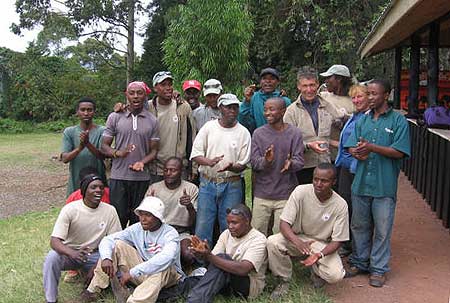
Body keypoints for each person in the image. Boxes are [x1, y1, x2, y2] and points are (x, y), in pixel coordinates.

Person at [345, 79, 411, 288]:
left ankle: (379, 269)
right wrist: (355, 151)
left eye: (374, 94)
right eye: (369, 93)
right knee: (359, 225)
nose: (370, 98)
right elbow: (350, 145)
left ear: (387, 95)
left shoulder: (398, 121)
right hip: (361, 183)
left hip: (384, 185)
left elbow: (399, 151)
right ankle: (359, 261)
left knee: (382, 229)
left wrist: (372, 147)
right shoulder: (363, 120)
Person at [267, 163, 349, 299]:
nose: (318, 184)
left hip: (320, 243)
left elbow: (338, 240)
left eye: (324, 181)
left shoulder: (340, 205)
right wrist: (298, 242)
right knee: (272, 242)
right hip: (298, 237)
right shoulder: (301, 191)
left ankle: (316, 270)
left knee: (336, 275)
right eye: (315, 179)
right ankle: (284, 280)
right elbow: (284, 224)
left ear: (334, 182)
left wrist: (319, 255)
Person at [81, 196, 183, 303]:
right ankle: (93, 290)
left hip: (168, 276)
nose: (143, 219)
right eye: (141, 214)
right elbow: (108, 239)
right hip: (144, 272)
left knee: (162, 268)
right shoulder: (137, 228)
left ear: (158, 217)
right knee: (118, 245)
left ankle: (135, 301)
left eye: (148, 215)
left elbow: (166, 257)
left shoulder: (170, 233)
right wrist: (106, 258)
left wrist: (133, 272)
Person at [158, 204, 267, 302]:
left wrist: (209, 256)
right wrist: (202, 255)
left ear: (247, 221)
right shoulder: (226, 234)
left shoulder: (258, 239)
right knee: (192, 282)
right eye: (228, 222)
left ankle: (195, 300)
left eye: (234, 223)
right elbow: (213, 265)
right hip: (223, 278)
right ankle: (154, 297)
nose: (230, 226)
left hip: (247, 286)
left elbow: (243, 269)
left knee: (222, 259)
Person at [43, 175, 121, 303]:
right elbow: (54, 241)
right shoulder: (70, 209)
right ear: (84, 190)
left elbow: (116, 242)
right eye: (93, 187)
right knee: (52, 258)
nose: (98, 190)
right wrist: (72, 253)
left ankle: (95, 287)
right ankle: (51, 299)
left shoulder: (110, 210)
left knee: (119, 274)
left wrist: (97, 267)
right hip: (71, 253)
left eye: (101, 187)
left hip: (97, 254)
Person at [190, 93, 251, 246]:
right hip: (207, 182)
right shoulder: (209, 127)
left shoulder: (243, 132)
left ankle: (227, 259)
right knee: (203, 224)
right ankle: (201, 262)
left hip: (232, 183)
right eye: (229, 107)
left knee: (230, 224)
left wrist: (232, 167)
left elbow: (243, 164)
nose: (233, 110)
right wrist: (209, 162)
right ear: (220, 108)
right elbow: (196, 154)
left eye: (235, 107)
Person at [102, 81, 160, 228]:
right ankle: (116, 249)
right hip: (118, 177)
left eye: (139, 93)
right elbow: (104, 146)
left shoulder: (152, 120)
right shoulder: (115, 117)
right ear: (126, 95)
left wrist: (142, 162)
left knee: (139, 221)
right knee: (117, 219)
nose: (135, 96)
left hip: (142, 179)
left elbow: (154, 150)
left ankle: (134, 250)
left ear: (145, 95)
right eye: (132, 93)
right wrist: (117, 153)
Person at [250, 97, 304, 236]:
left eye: (271, 109)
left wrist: (290, 164)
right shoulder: (258, 133)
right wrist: (266, 161)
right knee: (257, 234)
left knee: (279, 236)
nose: (267, 113)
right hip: (263, 193)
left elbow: (300, 161)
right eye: (265, 109)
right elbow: (254, 163)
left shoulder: (295, 133)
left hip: (285, 194)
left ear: (283, 111)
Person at [284, 67, 345, 184]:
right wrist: (307, 145)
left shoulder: (327, 106)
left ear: (317, 84)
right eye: (305, 86)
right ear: (298, 86)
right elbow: (286, 143)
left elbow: (342, 124)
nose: (309, 89)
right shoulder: (291, 111)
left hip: (326, 165)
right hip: (303, 168)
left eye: (312, 85)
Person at [334, 84, 370, 256]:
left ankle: (359, 249)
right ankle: (347, 243)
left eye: (359, 97)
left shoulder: (370, 118)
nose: (355, 100)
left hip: (358, 169)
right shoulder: (355, 116)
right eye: (353, 98)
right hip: (346, 167)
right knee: (345, 205)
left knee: (358, 209)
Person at [146, 157, 198, 269]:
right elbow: (144, 217)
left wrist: (189, 206)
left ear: (181, 172)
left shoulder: (191, 188)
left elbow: (193, 221)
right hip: (159, 231)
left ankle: (187, 272)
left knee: (188, 255)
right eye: (166, 170)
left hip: (181, 232)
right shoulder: (154, 188)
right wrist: (150, 205)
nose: (169, 173)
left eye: (173, 170)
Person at [148, 71, 196, 182]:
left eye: (170, 84)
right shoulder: (148, 107)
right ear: (155, 87)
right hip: (155, 169)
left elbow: (192, 138)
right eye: (163, 85)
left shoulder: (183, 107)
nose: (168, 88)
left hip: (179, 168)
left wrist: (193, 167)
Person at [61, 97, 106, 197]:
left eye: (89, 110)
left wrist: (88, 144)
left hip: (98, 183)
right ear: (77, 112)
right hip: (76, 182)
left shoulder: (102, 131)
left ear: (94, 112)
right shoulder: (70, 132)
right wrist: (80, 148)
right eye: (83, 110)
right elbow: (65, 158)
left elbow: (103, 156)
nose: (86, 113)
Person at [238, 67, 291, 133]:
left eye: (272, 78)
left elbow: (290, 125)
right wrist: (246, 102)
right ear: (260, 81)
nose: (268, 81)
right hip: (259, 139)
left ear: (277, 82)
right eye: (264, 78)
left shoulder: (284, 100)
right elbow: (243, 123)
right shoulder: (253, 98)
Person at [319, 64, 354, 161]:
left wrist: (345, 121)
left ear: (339, 79)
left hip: (345, 156)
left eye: (329, 78)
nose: (326, 82)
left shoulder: (354, 101)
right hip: (324, 154)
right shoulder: (323, 97)